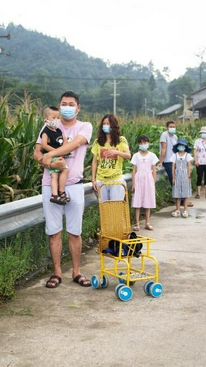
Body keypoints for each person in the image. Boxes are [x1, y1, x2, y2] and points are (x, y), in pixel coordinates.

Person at [33, 91, 93, 289]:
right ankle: (57, 272)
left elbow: (74, 145)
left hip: (74, 185)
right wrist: (46, 160)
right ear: (59, 107)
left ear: (78, 108)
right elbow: (36, 151)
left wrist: (49, 157)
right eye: (63, 104)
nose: (67, 107)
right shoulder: (50, 124)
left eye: (71, 104)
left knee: (75, 232)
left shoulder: (85, 127)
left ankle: (76, 272)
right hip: (49, 184)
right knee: (54, 232)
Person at [91, 114, 131, 201]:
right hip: (101, 180)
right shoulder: (98, 142)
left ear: (113, 125)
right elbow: (94, 161)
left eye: (108, 123)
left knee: (115, 209)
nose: (105, 125)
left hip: (116, 180)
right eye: (104, 123)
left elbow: (128, 155)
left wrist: (116, 152)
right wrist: (93, 180)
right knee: (104, 209)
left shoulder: (121, 140)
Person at [40, 106, 70, 205]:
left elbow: (65, 142)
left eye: (58, 118)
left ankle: (60, 192)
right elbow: (44, 144)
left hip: (58, 155)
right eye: (53, 118)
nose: (56, 120)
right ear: (46, 118)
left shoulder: (59, 131)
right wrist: (56, 152)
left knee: (64, 170)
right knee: (55, 175)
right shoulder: (45, 131)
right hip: (51, 156)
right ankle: (56, 194)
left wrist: (63, 150)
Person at [160, 121, 193, 208]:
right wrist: (161, 161)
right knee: (173, 180)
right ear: (167, 127)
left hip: (177, 160)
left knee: (180, 180)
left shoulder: (175, 136)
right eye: (171, 126)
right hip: (168, 161)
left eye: (174, 126)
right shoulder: (164, 135)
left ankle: (183, 199)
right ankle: (181, 200)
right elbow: (164, 148)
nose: (172, 128)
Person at [131, 134, 159, 231]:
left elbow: (154, 170)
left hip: (148, 179)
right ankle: (137, 223)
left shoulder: (152, 156)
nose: (143, 144)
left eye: (145, 142)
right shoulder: (136, 156)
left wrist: (153, 183)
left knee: (148, 202)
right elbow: (134, 170)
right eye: (141, 143)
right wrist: (133, 183)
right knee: (137, 202)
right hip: (139, 179)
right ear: (139, 144)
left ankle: (147, 222)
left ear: (148, 143)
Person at [170, 139, 193, 218]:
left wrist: (188, 174)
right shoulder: (174, 155)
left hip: (185, 175)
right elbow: (173, 167)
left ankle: (185, 210)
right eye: (180, 145)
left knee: (185, 193)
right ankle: (178, 210)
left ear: (185, 147)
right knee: (177, 194)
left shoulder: (188, 155)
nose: (181, 147)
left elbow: (189, 165)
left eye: (183, 146)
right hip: (177, 175)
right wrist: (173, 177)